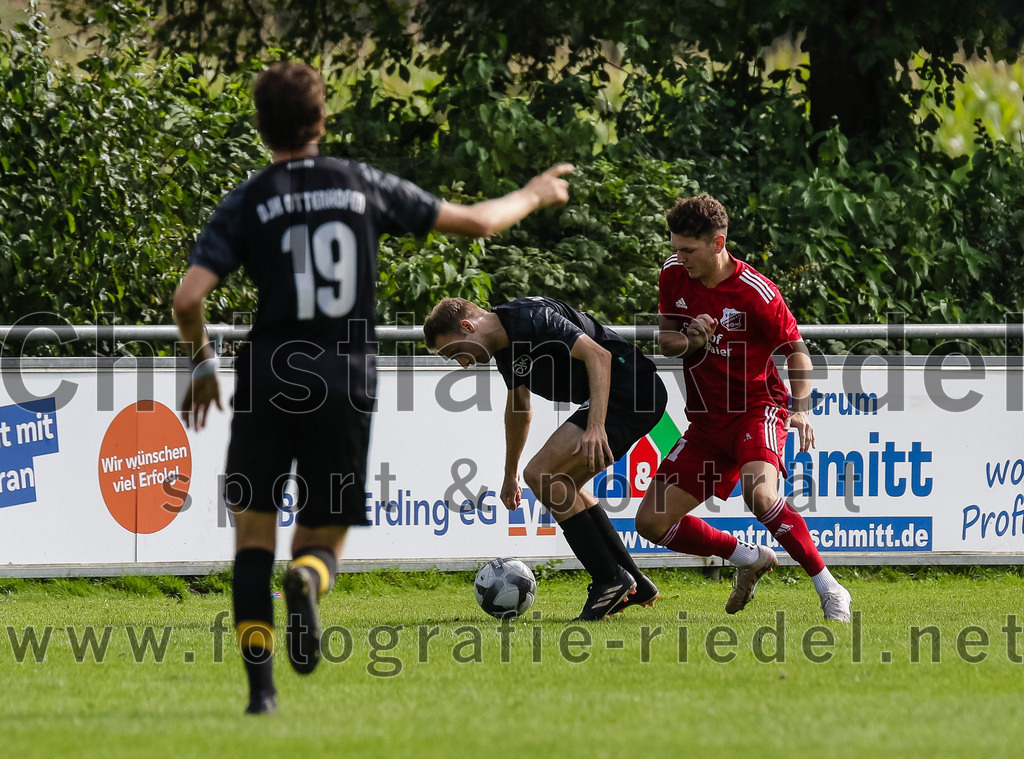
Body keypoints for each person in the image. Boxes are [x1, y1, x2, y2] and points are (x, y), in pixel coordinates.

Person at [173, 61, 574, 715]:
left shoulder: (249, 198)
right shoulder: (360, 185)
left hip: (269, 374)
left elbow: (189, 295)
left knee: (251, 540)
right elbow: (476, 222)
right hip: (343, 379)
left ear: (261, 126)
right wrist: (532, 193)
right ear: (321, 121)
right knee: (324, 534)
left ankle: (261, 693)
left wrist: (200, 364)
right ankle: (308, 576)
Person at [634, 194, 852, 622]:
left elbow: (798, 352)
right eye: (675, 247)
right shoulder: (673, 274)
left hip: (757, 408)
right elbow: (666, 341)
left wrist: (802, 408)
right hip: (706, 422)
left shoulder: (757, 292)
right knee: (651, 524)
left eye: (688, 250)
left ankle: (830, 588)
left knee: (760, 494)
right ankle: (747, 557)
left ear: (718, 244)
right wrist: (692, 341)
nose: (678, 257)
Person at [423, 295, 668, 621]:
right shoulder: (504, 351)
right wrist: (510, 474)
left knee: (543, 474)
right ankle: (633, 580)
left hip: (633, 390)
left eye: (455, 352)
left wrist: (595, 426)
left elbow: (599, 355)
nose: (462, 363)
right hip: (623, 396)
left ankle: (610, 579)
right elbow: (519, 410)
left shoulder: (531, 317)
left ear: (468, 327)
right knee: (562, 483)